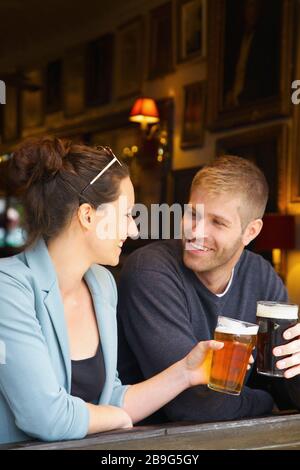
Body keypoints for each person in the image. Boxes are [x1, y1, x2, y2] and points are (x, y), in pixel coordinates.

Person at [0, 137, 224, 445]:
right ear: (88, 216)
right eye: (126, 214)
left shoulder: (102, 284)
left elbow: (110, 397)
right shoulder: (8, 289)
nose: (133, 230)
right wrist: (117, 418)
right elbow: (46, 417)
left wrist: (185, 373)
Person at [117, 156, 300, 424]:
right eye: (193, 214)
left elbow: (286, 391)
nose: (195, 232)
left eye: (217, 222)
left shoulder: (261, 276)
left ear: (250, 232)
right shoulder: (150, 270)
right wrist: (265, 400)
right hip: (152, 443)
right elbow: (195, 405)